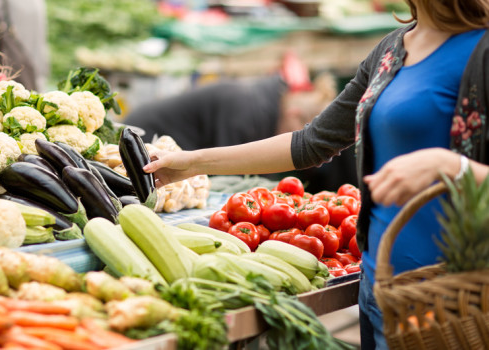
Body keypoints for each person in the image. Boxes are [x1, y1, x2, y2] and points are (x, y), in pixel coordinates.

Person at [141, 1, 489, 349]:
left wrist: (454, 167)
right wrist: (190, 162)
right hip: (381, 289)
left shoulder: (481, 50)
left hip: (456, 297)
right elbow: (310, 142)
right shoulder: (391, 49)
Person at [124, 59, 358, 193]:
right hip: (143, 137)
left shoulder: (266, 101)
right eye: (302, 131)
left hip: (177, 148)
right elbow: (229, 171)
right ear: (294, 114)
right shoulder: (247, 111)